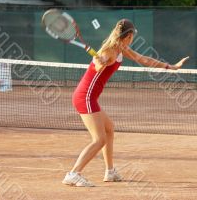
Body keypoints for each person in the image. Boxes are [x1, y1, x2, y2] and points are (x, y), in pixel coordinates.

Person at [63, 19, 189, 187]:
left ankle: (110, 172)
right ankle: (73, 173)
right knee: (99, 139)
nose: (132, 39)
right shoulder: (109, 51)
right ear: (128, 35)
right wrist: (101, 61)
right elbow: (98, 66)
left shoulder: (120, 48)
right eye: (132, 36)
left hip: (90, 97)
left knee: (109, 129)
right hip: (84, 96)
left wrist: (170, 67)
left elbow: (143, 59)